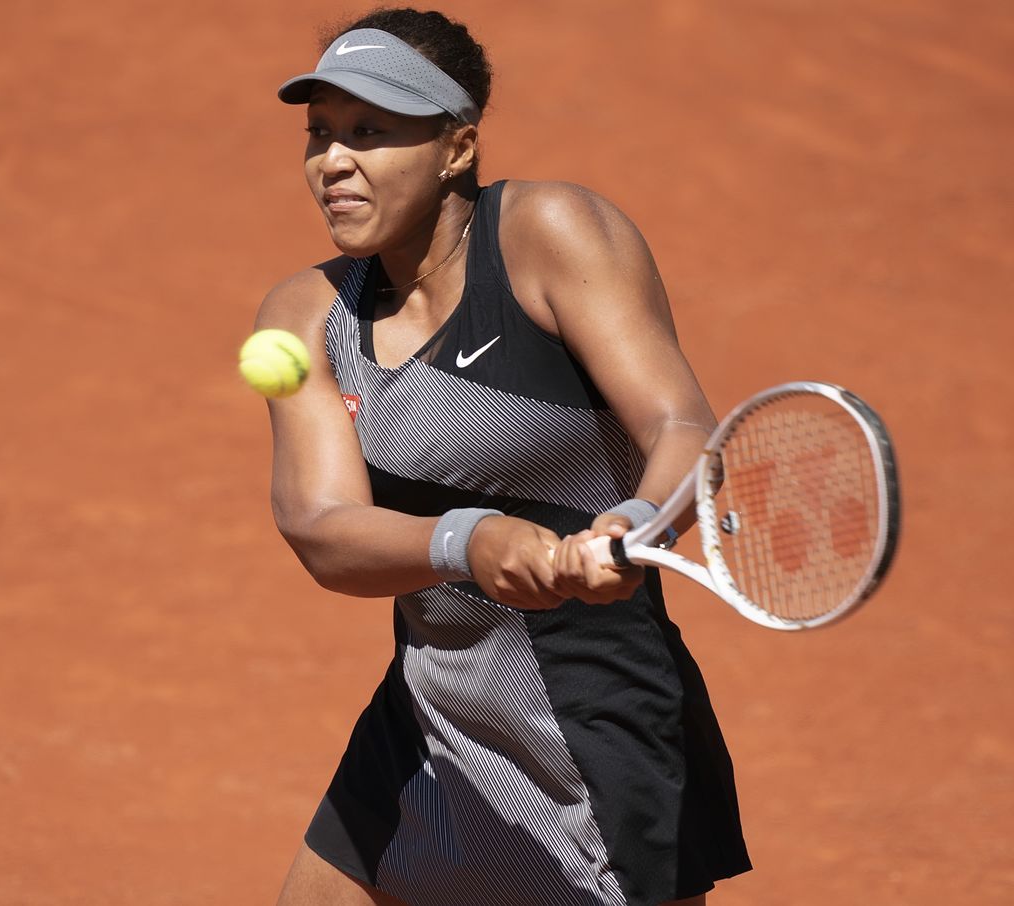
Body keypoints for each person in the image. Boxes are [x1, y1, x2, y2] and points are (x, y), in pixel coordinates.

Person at [256, 8, 752, 905]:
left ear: (457, 148)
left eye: (371, 132)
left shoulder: (549, 234)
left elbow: (683, 427)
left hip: (596, 731)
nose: (334, 162)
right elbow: (322, 530)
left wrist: (636, 523)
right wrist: (470, 541)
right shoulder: (302, 318)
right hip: (430, 714)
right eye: (320, 134)